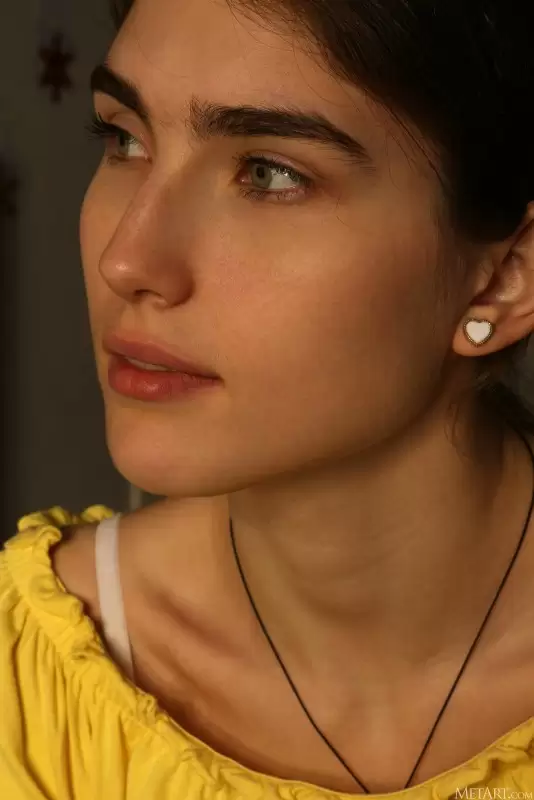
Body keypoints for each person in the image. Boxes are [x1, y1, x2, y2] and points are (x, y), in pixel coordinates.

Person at [2, 0, 534, 796]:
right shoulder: (26, 688)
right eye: (125, 140)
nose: (127, 260)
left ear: (504, 279)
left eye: (269, 174)